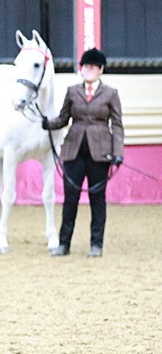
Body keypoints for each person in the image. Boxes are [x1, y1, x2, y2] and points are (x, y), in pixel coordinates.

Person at [43, 48, 124, 258]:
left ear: (100, 70)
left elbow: (117, 125)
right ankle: (64, 244)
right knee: (70, 199)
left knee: (98, 200)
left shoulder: (110, 94)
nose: (87, 69)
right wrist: (47, 124)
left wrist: (118, 152)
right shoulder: (72, 91)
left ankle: (96, 244)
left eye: (92, 66)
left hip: (100, 153)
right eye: (85, 66)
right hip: (73, 151)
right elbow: (63, 119)